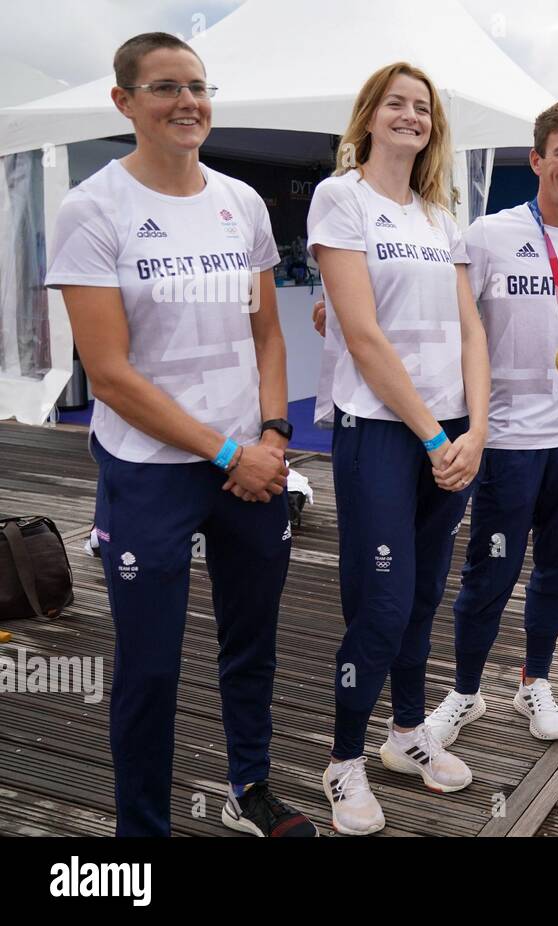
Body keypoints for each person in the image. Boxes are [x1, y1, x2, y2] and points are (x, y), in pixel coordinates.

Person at [44, 32, 314, 837]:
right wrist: (228, 451)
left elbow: (269, 334)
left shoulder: (241, 202)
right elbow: (111, 374)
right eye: (165, 87)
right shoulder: (92, 208)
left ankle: (250, 787)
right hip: (155, 473)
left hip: (250, 463)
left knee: (252, 642)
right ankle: (142, 834)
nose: (187, 102)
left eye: (198, 86)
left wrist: (269, 434)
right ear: (125, 102)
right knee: (150, 667)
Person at [309, 62, 490, 836]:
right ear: (370, 116)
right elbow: (362, 336)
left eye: (423, 108)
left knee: (420, 599)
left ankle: (408, 735)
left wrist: (474, 431)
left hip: (449, 434)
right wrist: (433, 435)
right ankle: (343, 760)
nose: (411, 117)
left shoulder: (437, 215)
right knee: (380, 605)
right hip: (380, 432)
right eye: (397, 105)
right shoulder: (340, 198)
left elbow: (471, 330)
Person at [424, 102, 558, 743]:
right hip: (507, 440)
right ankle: (465, 691)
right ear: (536, 160)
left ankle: (535, 682)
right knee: (490, 574)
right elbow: (444, 318)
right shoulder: (487, 234)